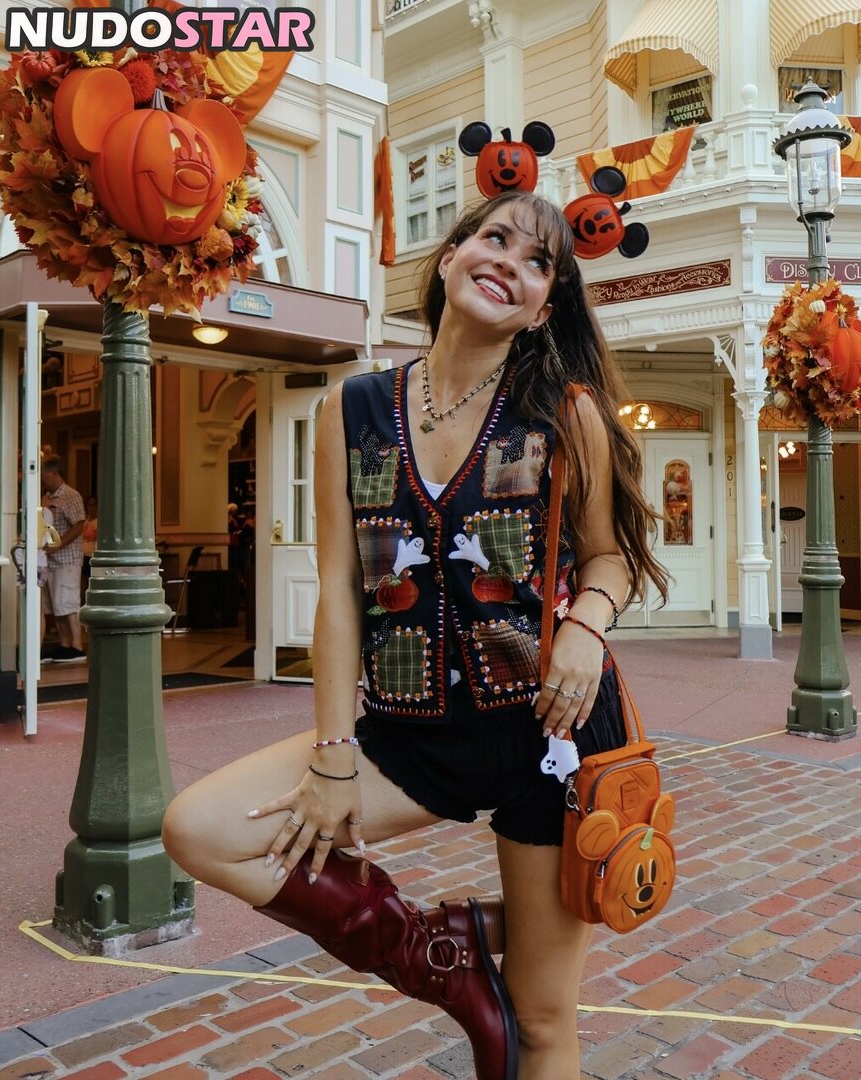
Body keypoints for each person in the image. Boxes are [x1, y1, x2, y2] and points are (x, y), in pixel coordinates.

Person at [163, 192, 668, 1080]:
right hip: (410, 733)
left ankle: (480, 943)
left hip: (552, 737)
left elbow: (610, 557)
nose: (508, 261)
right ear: (450, 257)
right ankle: (434, 951)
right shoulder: (353, 408)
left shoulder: (564, 410)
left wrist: (588, 624)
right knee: (197, 829)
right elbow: (337, 592)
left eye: (537, 262)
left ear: (542, 308)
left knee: (540, 1019)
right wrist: (331, 756)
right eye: (493, 237)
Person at [41, 457, 86, 663]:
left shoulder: (71, 495)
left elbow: (78, 525)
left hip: (67, 559)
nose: (42, 479)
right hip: (50, 560)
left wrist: (59, 544)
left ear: (54, 473)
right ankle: (64, 643)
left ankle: (77, 645)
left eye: (44, 475)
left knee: (67, 602)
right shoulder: (46, 498)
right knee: (55, 604)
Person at [81, 495, 98, 598]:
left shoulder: (98, 522)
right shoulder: (85, 521)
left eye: (93, 505)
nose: (91, 508)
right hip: (82, 555)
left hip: (91, 556)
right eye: (89, 505)